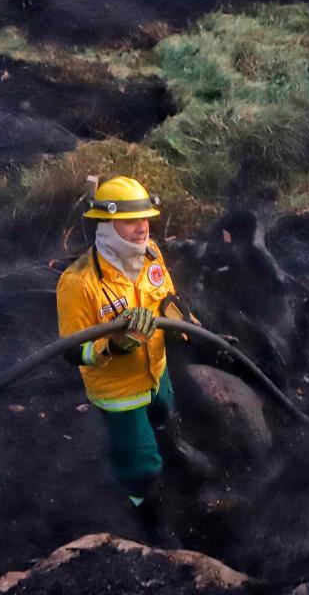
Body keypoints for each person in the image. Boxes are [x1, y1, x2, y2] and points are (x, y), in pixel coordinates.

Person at [56, 175, 210, 545]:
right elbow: (71, 350)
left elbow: (167, 298)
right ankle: (152, 520)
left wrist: (188, 326)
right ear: (106, 224)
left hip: (156, 370)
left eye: (146, 218)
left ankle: (176, 455)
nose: (143, 228)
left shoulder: (151, 255)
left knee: (164, 413)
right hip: (119, 391)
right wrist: (112, 347)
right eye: (131, 220)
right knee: (139, 463)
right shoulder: (79, 283)